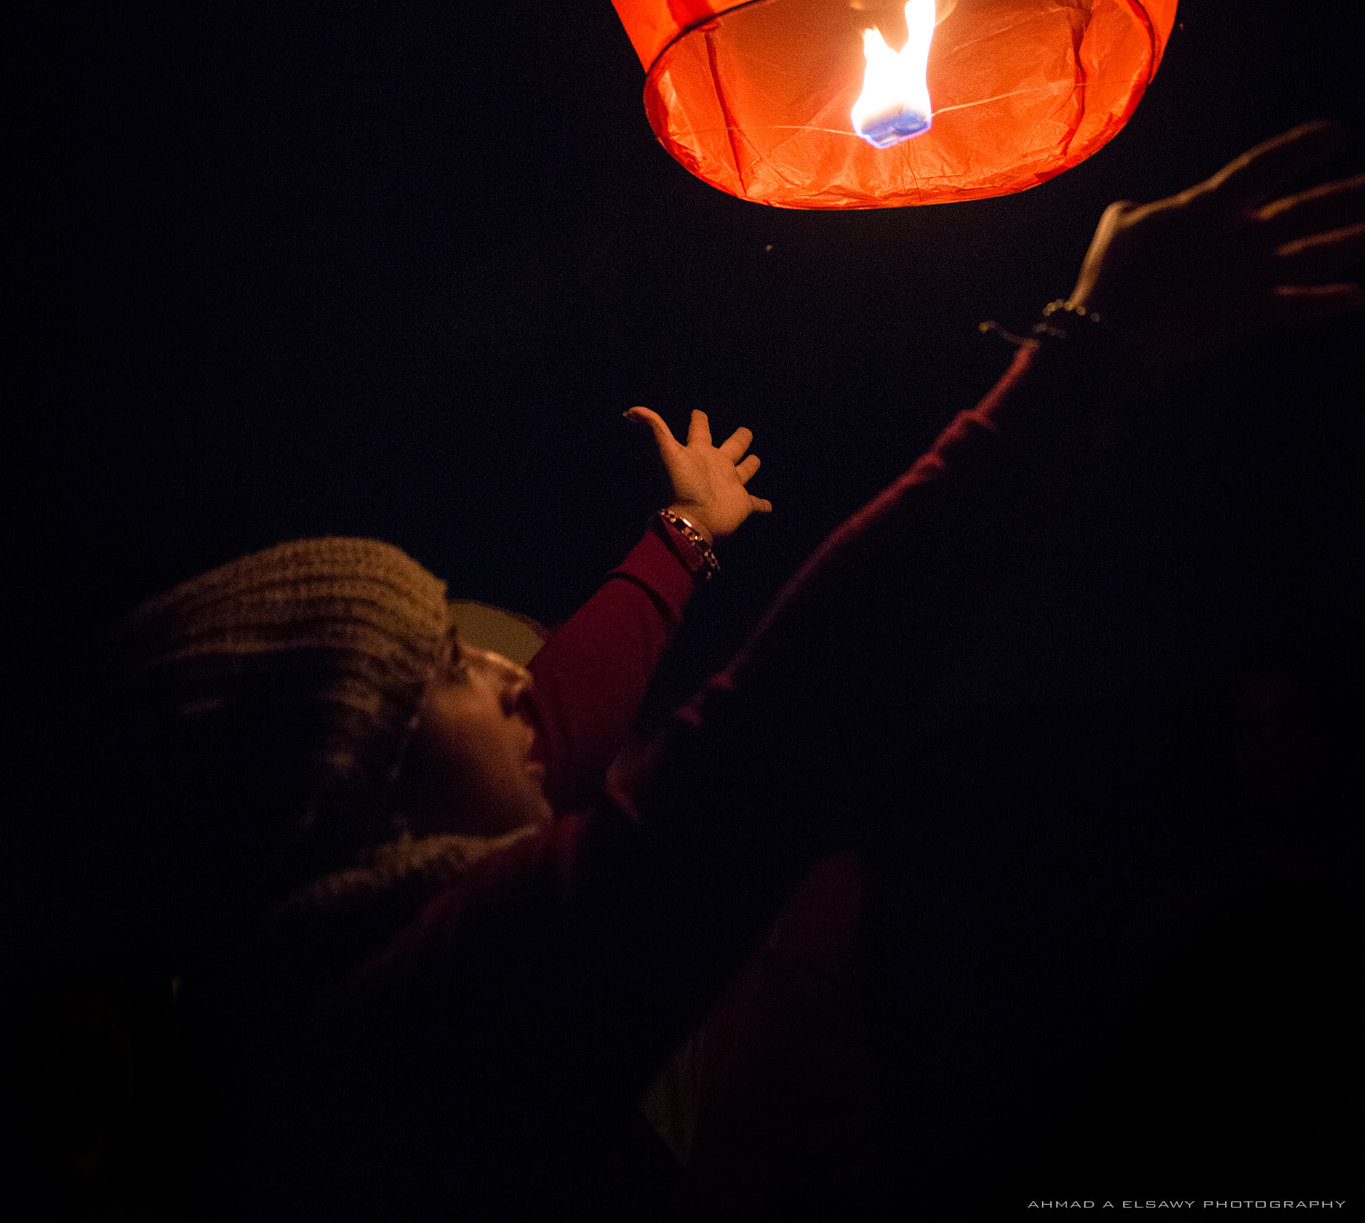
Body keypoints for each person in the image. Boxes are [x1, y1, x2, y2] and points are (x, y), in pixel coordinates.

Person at [84, 123, 1364, 1219]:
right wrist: (1085, 356)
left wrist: (684, 537)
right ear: (360, 789)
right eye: (447, 668)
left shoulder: (343, 967)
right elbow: (773, 736)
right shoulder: (414, 1023)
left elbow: (571, 708)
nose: (508, 671)